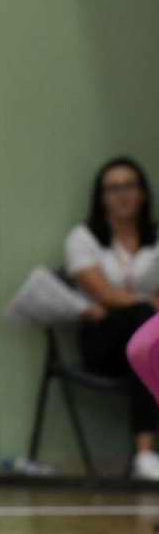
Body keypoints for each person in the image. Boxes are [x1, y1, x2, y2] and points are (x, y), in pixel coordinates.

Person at [65, 157, 159, 479]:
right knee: (144, 323)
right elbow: (104, 294)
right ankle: (145, 454)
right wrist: (147, 303)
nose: (122, 195)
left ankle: (145, 454)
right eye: (113, 188)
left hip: (146, 344)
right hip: (103, 340)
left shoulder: (155, 238)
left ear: (144, 193)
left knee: (148, 346)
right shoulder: (83, 238)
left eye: (129, 186)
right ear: (101, 197)